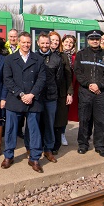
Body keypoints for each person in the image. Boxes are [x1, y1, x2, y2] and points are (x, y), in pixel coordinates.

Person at [1, 32, 46, 172]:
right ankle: (8, 156)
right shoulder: (9, 59)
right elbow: (7, 80)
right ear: (18, 42)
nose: (26, 45)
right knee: (10, 130)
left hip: (33, 100)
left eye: (28, 42)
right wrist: (21, 94)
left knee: (34, 131)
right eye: (23, 42)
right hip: (15, 99)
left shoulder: (38, 59)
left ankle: (34, 158)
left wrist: (32, 94)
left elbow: (42, 79)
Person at [74, 29, 104, 158]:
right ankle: (83, 144)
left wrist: (99, 85)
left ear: (100, 40)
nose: (95, 41)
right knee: (84, 119)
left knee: (101, 120)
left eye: (97, 39)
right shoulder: (81, 54)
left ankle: (100, 146)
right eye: (92, 39)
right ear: (88, 40)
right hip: (85, 92)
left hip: (100, 93)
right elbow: (78, 72)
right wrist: (89, 84)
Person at [35, 33, 64, 164]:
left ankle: (48, 149)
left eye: (47, 43)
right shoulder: (33, 57)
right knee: (34, 124)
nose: (45, 45)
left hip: (51, 97)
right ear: (38, 43)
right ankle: (34, 147)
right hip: (36, 97)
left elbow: (59, 79)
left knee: (49, 124)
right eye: (43, 43)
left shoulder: (57, 59)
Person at [49, 32, 73, 154]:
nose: (54, 42)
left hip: (61, 92)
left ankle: (55, 145)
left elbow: (69, 75)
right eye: (52, 40)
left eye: (57, 40)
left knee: (59, 120)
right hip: (46, 93)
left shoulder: (63, 56)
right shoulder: (42, 55)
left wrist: (70, 93)